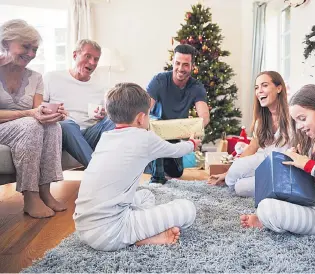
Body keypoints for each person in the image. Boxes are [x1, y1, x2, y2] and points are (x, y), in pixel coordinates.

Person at [74, 83, 200, 251]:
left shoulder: (106, 137)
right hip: (110, 234)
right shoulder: (144, 138)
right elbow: (176, 150)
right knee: (187, 209)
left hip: (83, 226)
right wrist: (192, 143)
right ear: (141, 118)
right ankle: (140, 236)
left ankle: (140, 228)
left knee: (146, 195)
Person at [240, 84, 315, 235]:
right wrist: (295, 163)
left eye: (302, 118)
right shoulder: (312, 140)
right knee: (264, 203)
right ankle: (268, 219)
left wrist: (310, 165)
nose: (299, 126)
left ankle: (268, 220)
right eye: (296, 121)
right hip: (308, 203)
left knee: (267, 208)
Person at [0, 19, 67, 218]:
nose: (31, 53)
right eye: (25, 47)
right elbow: (30, 114)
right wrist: (29, 114)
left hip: (23, 126)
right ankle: (30, 195)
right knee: (31, 125)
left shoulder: (36, 77)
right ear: (5, 43)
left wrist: (52, 113)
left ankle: (45, 191)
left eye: (34, 49)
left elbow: (37, 110)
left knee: (53, 127)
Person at [207, 71, 290, 197]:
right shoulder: (261, 121)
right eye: (256, 88)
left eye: (264, 85)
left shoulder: (293, 118)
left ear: (279, 88)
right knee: (239, 186)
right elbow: (252, 148)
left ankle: (278, 188)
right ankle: (231, 179)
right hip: (263, 163)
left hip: (283, 170)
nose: (259, 91)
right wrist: (227, 174)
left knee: (241, 186)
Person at [43, 39, 115, 168]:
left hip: (88, 133)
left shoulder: (101, 88)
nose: (92, 62)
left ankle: (140, 173)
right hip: (62, 132)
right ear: (75, 55)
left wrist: (104, 115)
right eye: (88, 56)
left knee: (115, 119)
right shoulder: (52, 77)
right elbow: (39, 107)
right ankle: (97, 170)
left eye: (96, 59)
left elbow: (104, 119)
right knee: (68, 125)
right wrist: (54, 113)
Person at [147, 44, 209, 184]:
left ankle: (153, 166)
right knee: (157, 138)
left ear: (192, 66)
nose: (180, 68)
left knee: (177, 172)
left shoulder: (196, 87)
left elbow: (204, 117)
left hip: (176, 135)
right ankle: (156, 178)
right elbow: (145, 109)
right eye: (177, 63)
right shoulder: (159, 80)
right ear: (173, 62)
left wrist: (193, 131)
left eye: (186, 65)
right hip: (157, 134)